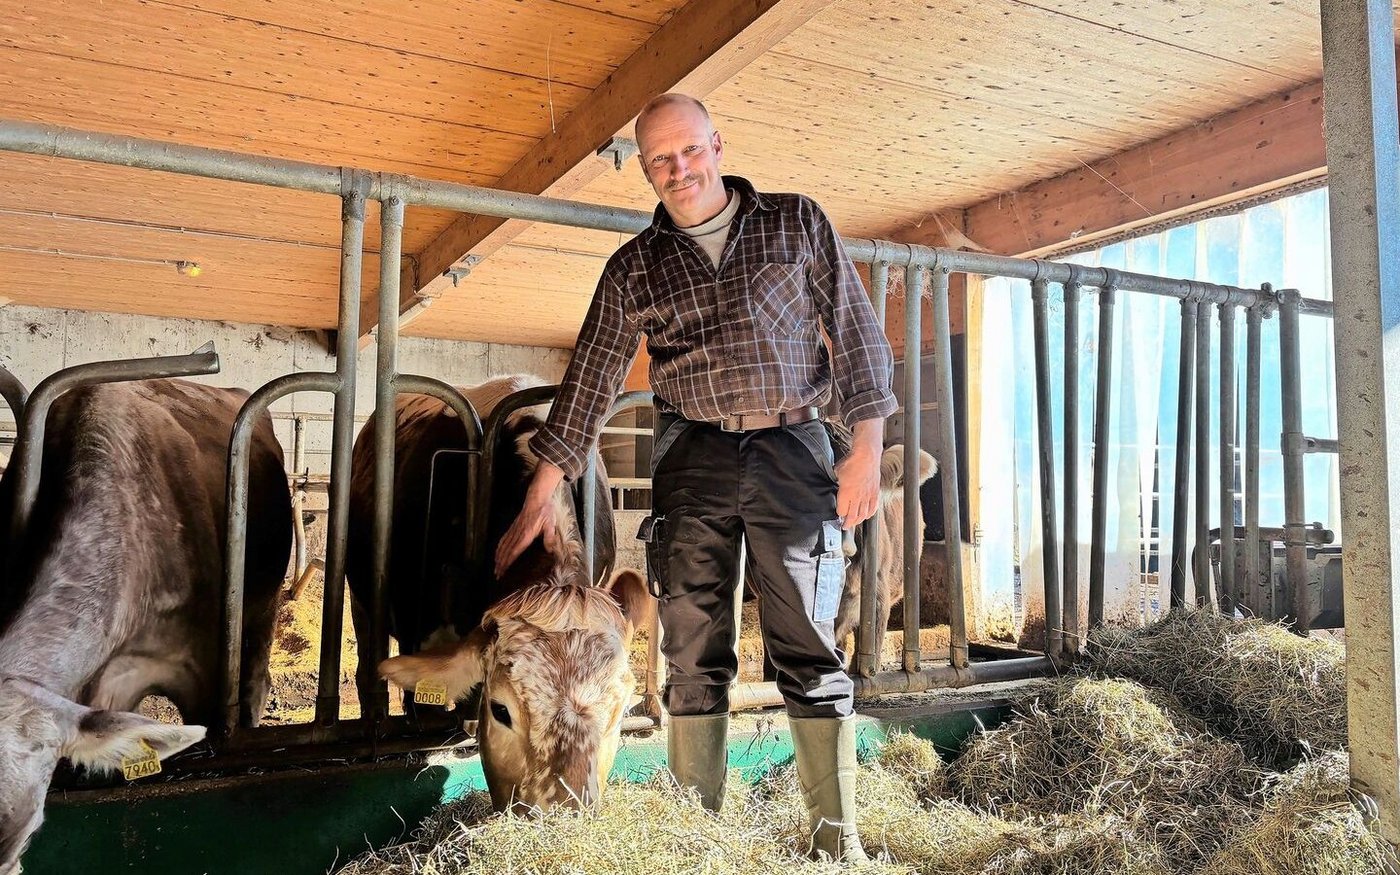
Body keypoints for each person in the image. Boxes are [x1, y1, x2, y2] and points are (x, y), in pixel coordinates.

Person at [494, 93, 895, 862]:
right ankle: (695, 842)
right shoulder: (635, 266)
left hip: (793, 446)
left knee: (809, 641)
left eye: (689, 152)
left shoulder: (794, 222)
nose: (679, 170)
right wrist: (541, 492)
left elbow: (855, 330)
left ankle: (834, 843)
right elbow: (590, 381)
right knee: (690, 647)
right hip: (693, 455)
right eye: (659, 161)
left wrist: (868, 448)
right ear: (644, 169)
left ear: (717, 144)